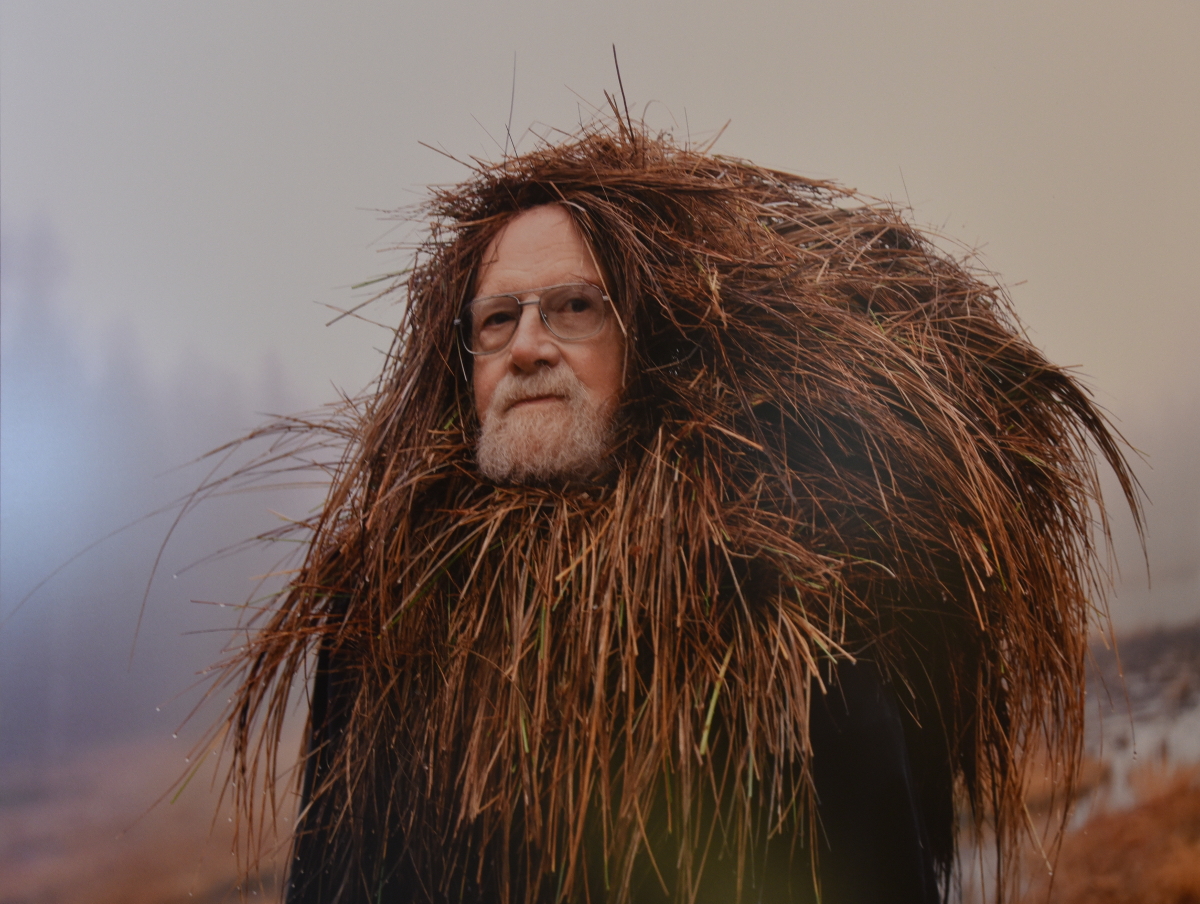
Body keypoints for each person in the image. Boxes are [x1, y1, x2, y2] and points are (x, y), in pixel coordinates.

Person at [218, 121, 1138, 904]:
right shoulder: (382, 622)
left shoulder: (779, 607)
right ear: (465, 366)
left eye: (575, 307)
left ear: (643, 346)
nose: (529, 344)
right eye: (497, 320)